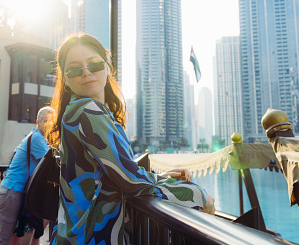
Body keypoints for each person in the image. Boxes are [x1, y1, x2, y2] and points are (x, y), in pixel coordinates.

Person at [48, 33, 215, 244]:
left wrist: (161, 177)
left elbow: (111, 175)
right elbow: (129, 179)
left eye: (94, 64)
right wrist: (198, 194)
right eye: (74, 69)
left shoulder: (84, 111)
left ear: (107, 66)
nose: (86, 73)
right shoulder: (87, 111)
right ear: (66, 81)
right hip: (90, 237)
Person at [0, 106, 55, 245]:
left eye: (50, 121)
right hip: (12, 191)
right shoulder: (37, 139)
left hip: (19, 192)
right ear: (37, 122)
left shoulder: (39, 138)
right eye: (45, 120)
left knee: (17, 232)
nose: (48, 124)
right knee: (3, 240)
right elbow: (51, 164)